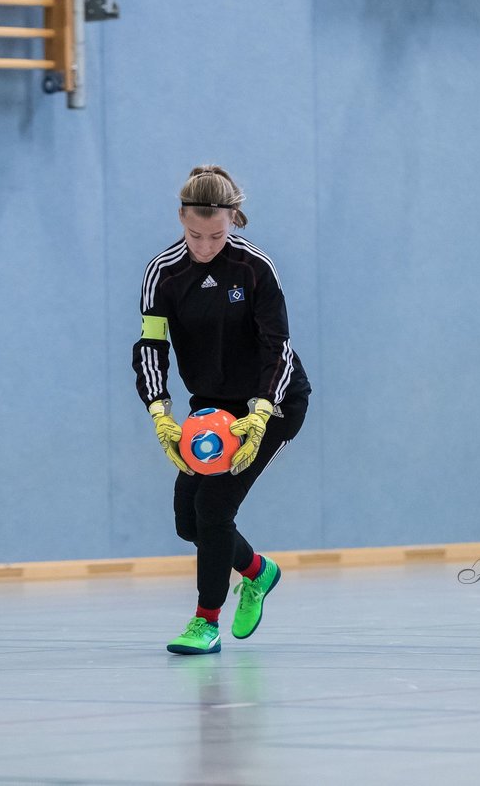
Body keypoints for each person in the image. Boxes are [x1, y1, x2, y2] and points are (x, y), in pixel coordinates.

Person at [133, 165, 312, 655]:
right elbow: (152, 346)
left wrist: (259, 415)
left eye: (217, 234)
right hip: (210, 408)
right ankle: (258, 572)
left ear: (233, 218)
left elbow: (278, 347)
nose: (206, 246)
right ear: (181, 218)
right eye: (195, 234)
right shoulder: (163, 273)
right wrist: (158, 411)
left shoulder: (255, 269)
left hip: (271, 401)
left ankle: (205, 622)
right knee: (187, 521)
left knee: (213, 510)